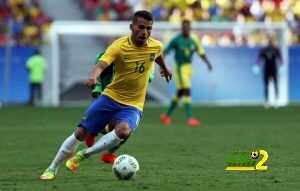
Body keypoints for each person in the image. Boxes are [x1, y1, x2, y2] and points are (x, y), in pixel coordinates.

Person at [40, 10, 172, 180]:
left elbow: (157, 54)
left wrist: (165, 68)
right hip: (110, 98)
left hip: (133, 105)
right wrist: (93, 76)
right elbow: (101, 65)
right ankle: (52, 168)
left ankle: (83, 155)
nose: (145, 32)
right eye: (141, 27)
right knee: (80, 133)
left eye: (149, 29)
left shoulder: (156, 45)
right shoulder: (118, 46)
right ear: (132, 27)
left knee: (124, 131)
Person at [86, 52, 156, 164]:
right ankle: (93, 132)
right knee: (110, 126)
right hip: (109, 95)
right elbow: (99, 69)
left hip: (129, 100)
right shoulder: (111, 52)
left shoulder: (149, 57)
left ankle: (108, 152)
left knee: (126, 130)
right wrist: (98, 86)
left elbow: (149, 77)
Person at [160, 19, 212, 127]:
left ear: (190, 28)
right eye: (184, 27)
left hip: (189, 68)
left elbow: (200, 52)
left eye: (188, 27)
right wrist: (163, 66)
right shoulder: (176, 40)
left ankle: (166, 116)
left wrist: (208, 63)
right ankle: (190, 118)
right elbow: (164, 52)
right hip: (179, 68)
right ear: (181, 28)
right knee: (187, 89)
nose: (186, 29)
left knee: (180, 93)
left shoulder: (194, 40)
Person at [257, 36, 282, 107]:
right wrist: (256, 65)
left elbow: (280, 58)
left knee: (275, 84)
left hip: (273, 69)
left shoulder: (276, 49)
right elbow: (259, 58)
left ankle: (276, 100)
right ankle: (266, 101)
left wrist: (282, 65)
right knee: (266, 85)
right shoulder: (264, 49)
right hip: (267, 69)